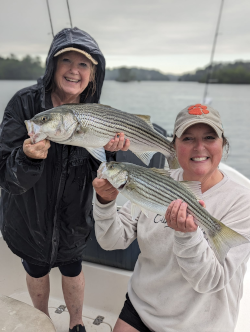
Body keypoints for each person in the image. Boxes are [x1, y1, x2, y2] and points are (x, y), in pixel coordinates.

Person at [0, 27, 129, 332]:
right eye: (66, 61)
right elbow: (6, 175)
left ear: (93, 73)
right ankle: (41, 318)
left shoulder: (98, 113)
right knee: (35, 268)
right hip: (28, 218)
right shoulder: (24, 104)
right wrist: (28, 157)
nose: (74, 70)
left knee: (73, 270)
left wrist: (112, 155)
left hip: (73, 218)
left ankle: (76, 322)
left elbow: (106, 173)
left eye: (83, 64)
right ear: (52, 66)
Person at [93, 103, 250, 332]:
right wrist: (105, 203)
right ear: (174, 146)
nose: (199, 147)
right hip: (141, 308)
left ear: (222, 144)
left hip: (200, 325)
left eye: (209, 137)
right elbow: (110, 241)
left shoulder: (242, 201)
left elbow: (211, 281)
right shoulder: (154, 180)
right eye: (187, 138)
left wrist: (187, 237)